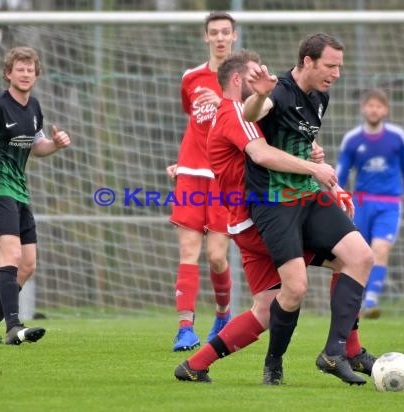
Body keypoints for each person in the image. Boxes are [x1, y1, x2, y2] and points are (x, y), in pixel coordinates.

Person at [175, 49, 376, 385]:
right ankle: (336, 352)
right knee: (315, 277)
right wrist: (315, 168)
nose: (266, 80)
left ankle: (195, 365)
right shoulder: (234, 114)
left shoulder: (250, 111)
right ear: (239, 80)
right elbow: (261, 152)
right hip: (257, 219)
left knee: (269, 306)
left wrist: (316, 161)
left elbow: (288, 135)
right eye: (257, 75)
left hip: (259, 215)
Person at [242, 33, 375, 385]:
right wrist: (259, 93)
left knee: (360, 257)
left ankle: (335, 352)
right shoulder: (279, 90)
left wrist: (315, 154)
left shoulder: (320, 97)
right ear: (307, 61)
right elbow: (251, 113)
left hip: (308, 195)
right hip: (274, 202)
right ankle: (273, 362)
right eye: (330, 66)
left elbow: (300, 135)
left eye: (340, 67)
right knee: (295, 288)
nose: (336, 73)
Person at [0, 46, 71, 345]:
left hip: (20, 190)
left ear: (36, 74)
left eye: (30, 69)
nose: (25, 74)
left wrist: (56, 145)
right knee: (12, 255)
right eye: (19, 69)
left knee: (28, 264)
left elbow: (37, 146)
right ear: (8, 73)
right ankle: (13, 326)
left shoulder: (34, 108)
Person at [166, 11, 238, 352]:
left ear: (234, 37)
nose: (220, 37)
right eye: (215, 32)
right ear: (205, 37)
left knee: (217, 257)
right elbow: (194, 123)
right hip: (192, 175)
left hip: (225, 178)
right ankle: (184, 328)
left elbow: (252, 119)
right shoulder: (191, 78)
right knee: (187, 250)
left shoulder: (243, 80)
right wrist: (181, 163)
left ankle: (223, 316)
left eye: (226, 32)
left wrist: (223, 101)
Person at [336, 88, 404, 319]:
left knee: (380, 250)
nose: (374, 109)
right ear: (363, 108)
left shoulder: (397, 137)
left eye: (379, 106)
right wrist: (337, 198)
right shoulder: (353, 140)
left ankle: (372, 300)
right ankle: (356, 301)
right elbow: (341, 173)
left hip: (389, 204)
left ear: (385, 110)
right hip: (361, 203)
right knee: (358, 255)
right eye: (370, 105)